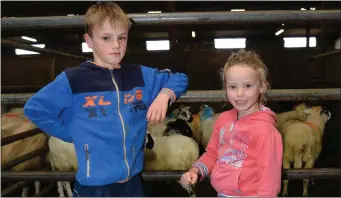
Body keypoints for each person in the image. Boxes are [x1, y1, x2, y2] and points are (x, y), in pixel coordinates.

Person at [24, 2, 188, 197]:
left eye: (122, 37)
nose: (116, 45)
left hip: (132, 181)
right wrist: (74, 134)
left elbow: (180, 77)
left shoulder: (140, 75)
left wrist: (165, 95)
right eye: (106, 38)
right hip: (94, 186)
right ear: (89, 40)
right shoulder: (74, 79)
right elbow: (35, 109)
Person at [180, 50, 283, 197]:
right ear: (225, 88)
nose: (240, 93)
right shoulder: (223, 120)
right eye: (233, 87)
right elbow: (212, 154)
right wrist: (195, 170)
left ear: (262, 86)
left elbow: (269, 180)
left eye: (248, 86)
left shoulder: (265, 131)